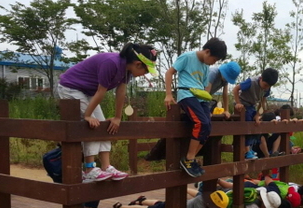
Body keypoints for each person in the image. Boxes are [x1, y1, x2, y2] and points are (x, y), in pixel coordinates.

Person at [57, 42, 158, 182]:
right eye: (146, 71)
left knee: (105, 126)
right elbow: (101, 92)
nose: (144, 75)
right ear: (137, 64)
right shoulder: (111, 63)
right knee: (93, 126)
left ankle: (106, 166)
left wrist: (117, 117)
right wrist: (87, 115)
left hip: (88, 92)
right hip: (71, 88)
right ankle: (89, 169)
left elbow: (121, 92)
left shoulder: (126, 71)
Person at [164, 38, 228, 177]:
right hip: (187, 94)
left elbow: (205, 86)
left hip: (200, 96)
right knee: (200, 122)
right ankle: (189, 159)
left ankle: (190, 158)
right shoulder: (187, 57)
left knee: (208, 127)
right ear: (207, 51)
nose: (214, 63)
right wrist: (168, 94)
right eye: (214, 59)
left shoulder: (205, 66)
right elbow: (169, 73)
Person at [233, 68, 279, 160]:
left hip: (252, 106)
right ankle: (246, 151)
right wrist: (238, 103)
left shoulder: (267, 88)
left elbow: (262, 101)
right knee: (248, 125)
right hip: (242, 105)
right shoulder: (251, 82)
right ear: (261, 78)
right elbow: (235, 89)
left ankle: (249, 148)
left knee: (257, 124)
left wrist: (258, 114)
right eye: (265, 85)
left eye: (268, 86)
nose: (266, 87)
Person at [112, 188, 229, 208]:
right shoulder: (200, 201)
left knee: (158, 204)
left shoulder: (206, 200)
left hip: (175, 205)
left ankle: (141, 200)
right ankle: (121, 207)